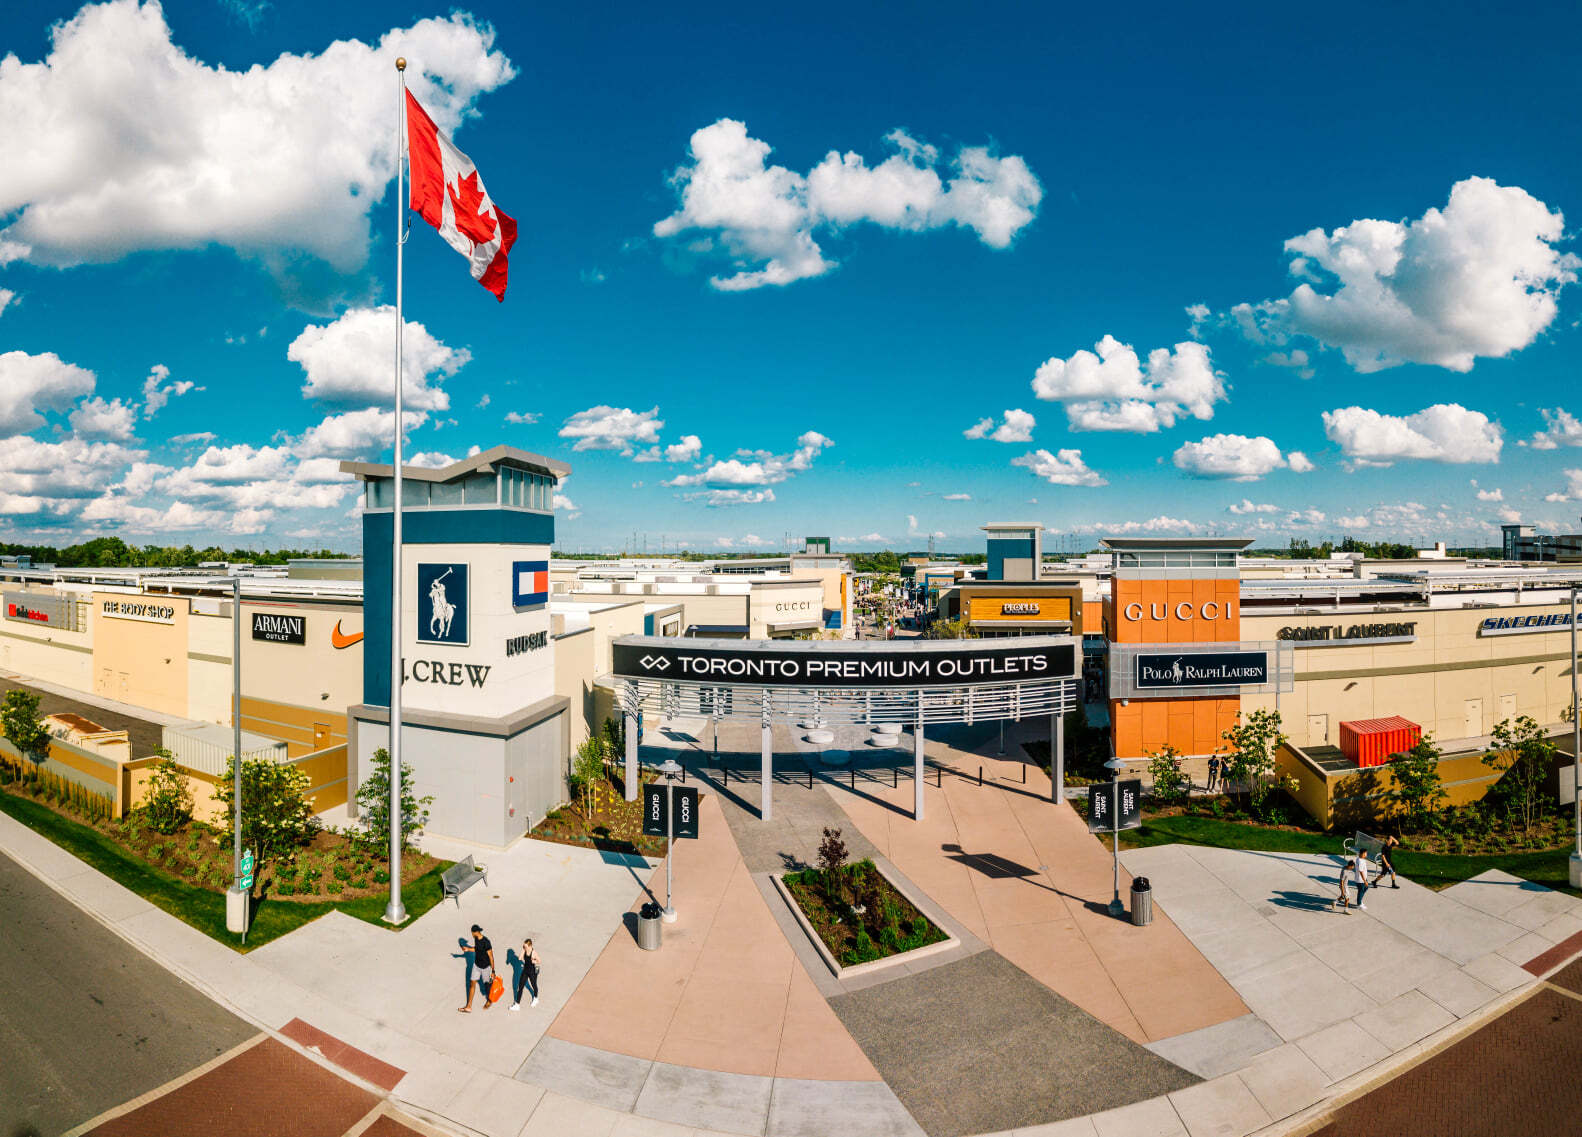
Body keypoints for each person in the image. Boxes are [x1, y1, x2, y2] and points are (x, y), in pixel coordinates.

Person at [460, 924, 495, 1012]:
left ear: (475, 932)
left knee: (486, 987)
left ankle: (489, 1000)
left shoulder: (486, 942)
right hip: (476, 966)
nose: (471, 934)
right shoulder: (476, 938)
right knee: (472, 984)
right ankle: (468, 1006)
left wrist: (493, 971)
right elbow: (476, 949)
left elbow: (491, 957)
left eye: (472, 932)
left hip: (485, 968)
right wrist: (468, 949)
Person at [512, 937, 541, 1010]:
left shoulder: (534, 953)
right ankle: (517, 1004)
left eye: (525, 946)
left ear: (530, 946)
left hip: (532, 971)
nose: (524, 947)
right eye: (523, 946)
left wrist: (534, 961)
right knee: (520, 986)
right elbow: (520, 958)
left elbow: (539, 961)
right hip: (525, 970)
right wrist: (523, 950)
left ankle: (536, 998)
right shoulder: (524, 950)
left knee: (534, 985)